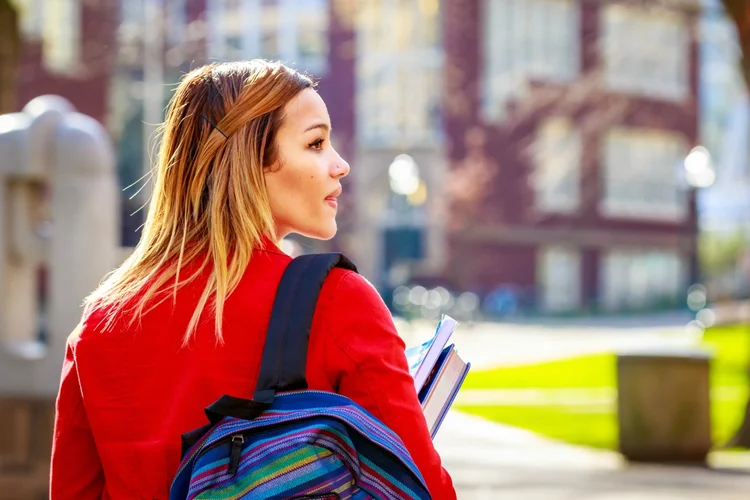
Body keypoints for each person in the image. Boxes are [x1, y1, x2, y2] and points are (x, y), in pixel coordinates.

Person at [50, 60, 457, 499]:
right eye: (316, 143)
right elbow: (422, 487)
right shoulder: (336, 300)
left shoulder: (101, 321)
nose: (340, 165)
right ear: (252, 161)